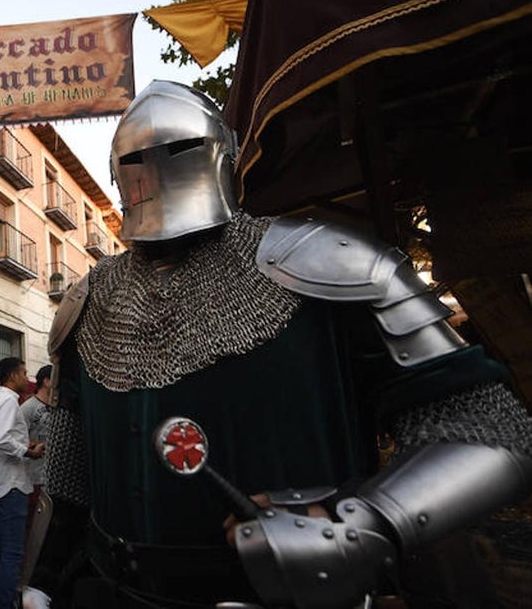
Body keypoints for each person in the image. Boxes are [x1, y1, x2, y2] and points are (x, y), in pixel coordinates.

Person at [40, 80, 532, 608]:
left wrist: (363, 521)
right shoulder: (88, 303)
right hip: (113, 592)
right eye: (138, 158)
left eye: (180, 148)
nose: (158, 169)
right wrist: (42, 580)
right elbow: (70, 484)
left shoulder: (326, 264)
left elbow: (489, 428)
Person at [0, 358, 45, 609]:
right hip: (10, 484)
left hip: (0, 482)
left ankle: (1, 599)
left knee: (2, 550)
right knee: (12, 552)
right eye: (24, 373)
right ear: (12, 376)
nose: (27, 378)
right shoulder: (8, 400)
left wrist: (25, 445)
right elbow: (1, 439)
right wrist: (28, 451)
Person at [19, 365, 52, 526]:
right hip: (32, 477)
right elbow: (17, 438)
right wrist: (35, 446)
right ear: (46, 381)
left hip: (50, 477)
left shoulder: (56, 406)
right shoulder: (27, 407)